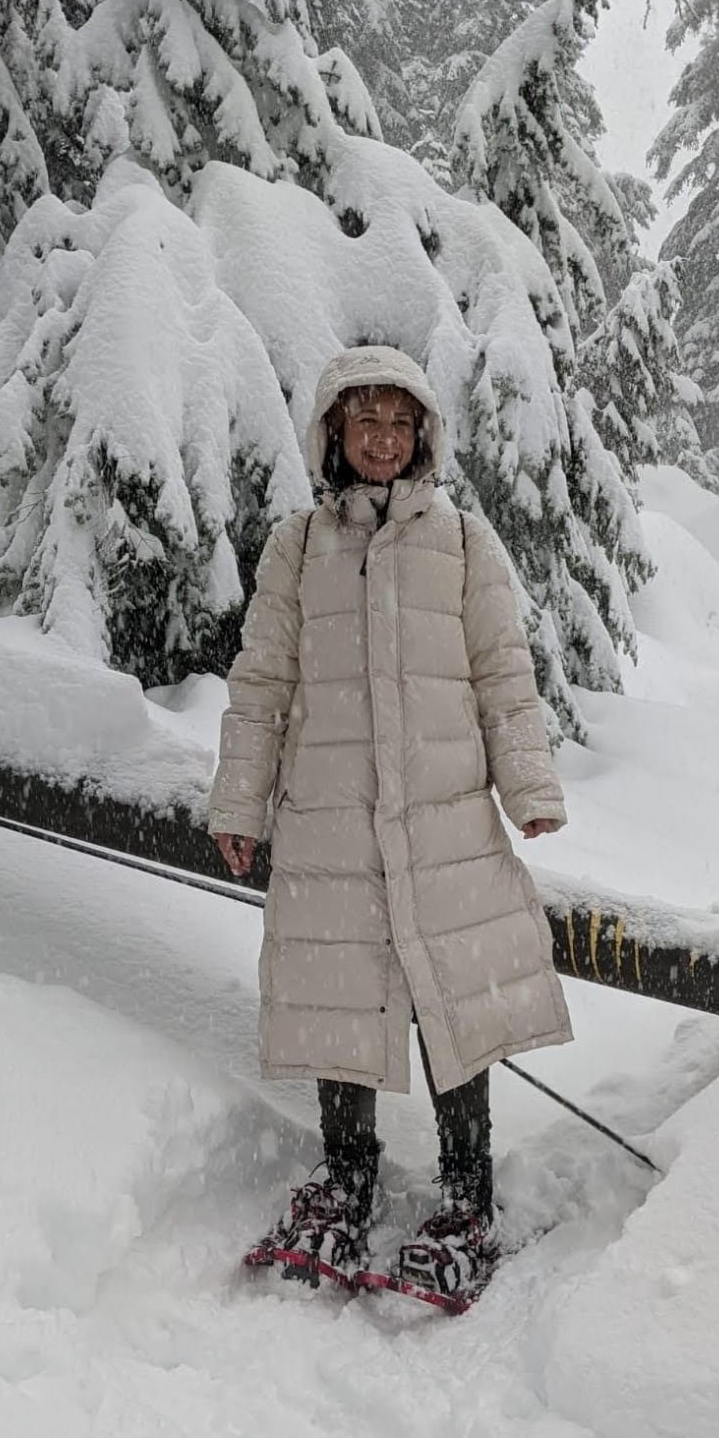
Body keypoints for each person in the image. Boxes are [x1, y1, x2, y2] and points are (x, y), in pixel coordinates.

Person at [207, 344, 572, 1295]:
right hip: (331, 823)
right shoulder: (296, 546)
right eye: (365, 421)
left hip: (443, 820)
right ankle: (347, 1174)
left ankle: (466, 1191)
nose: (383, 439)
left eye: (400, 423)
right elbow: (262, 684)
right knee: (342, 993)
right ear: (334, 432)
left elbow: (503, 671)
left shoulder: (462, 542)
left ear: (422, 437)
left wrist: (528, 786)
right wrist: (239, 799)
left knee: (456, 997)